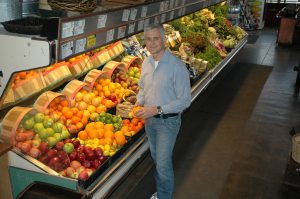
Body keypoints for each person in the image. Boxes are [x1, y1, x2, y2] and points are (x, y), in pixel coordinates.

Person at [134, 23, 191, 199]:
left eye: (156, 38)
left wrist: (156, 110)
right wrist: (137, 102)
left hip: (168, 122)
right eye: (148, 39)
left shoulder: (177, 66)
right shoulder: (146, 63)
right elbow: (143, 88)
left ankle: (164, 196)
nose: (151, 43)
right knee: (157, 158)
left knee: (163, 164)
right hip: (149, 121)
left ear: (164, 39)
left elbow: (184, 101)